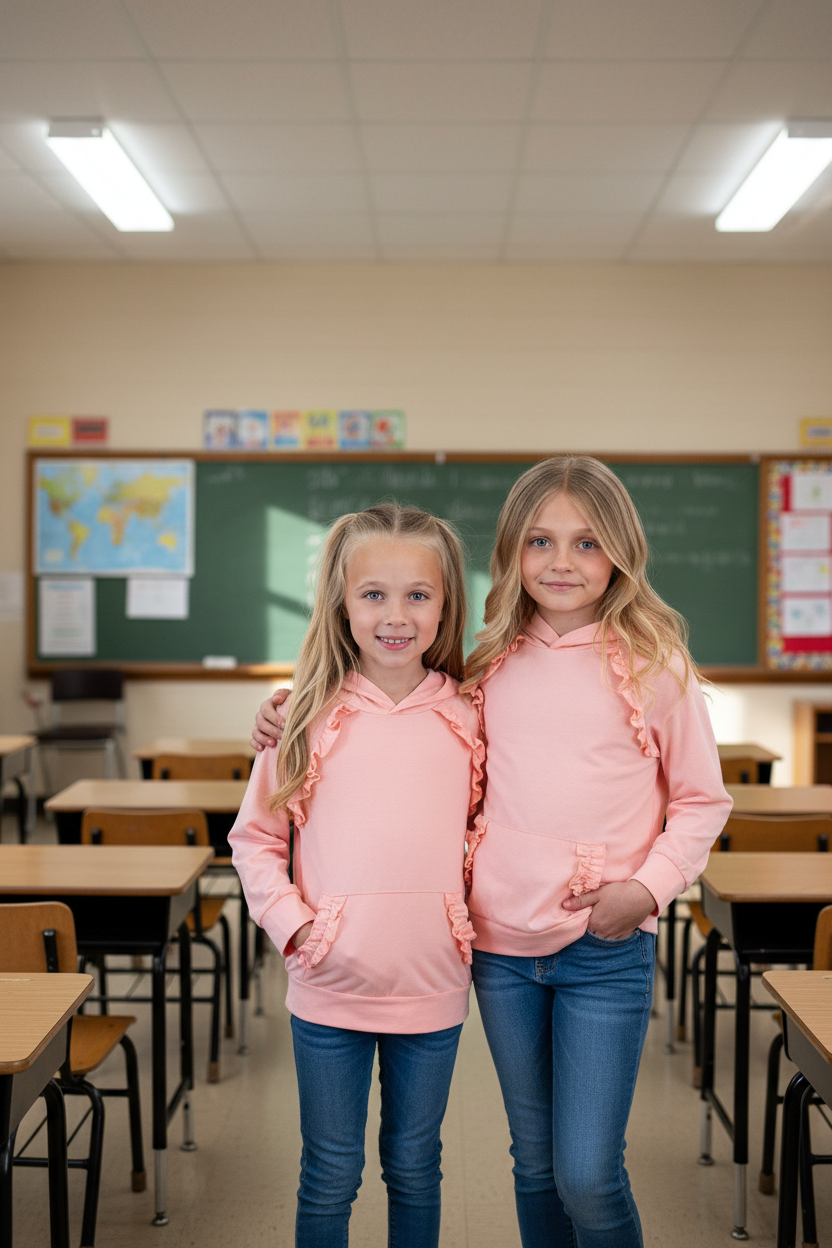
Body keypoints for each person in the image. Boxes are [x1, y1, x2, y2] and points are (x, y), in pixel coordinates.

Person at [251, 457, 731, 1248]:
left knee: (587, 1172)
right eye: (540, 541)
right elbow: (381, 705)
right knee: (535, 1165)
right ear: (510, 552)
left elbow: (702, 800)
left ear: (620, 552)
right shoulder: (488, 669)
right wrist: (283, 709)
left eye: (586, 543)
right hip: (503, 952)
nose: (562, 562)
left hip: (605, 946)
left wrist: (646, 890)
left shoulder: (655, 667)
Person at [229, 502, 483, 1248]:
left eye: (418, 594)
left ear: (446, 603)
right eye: (373, 594)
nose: (395, 615)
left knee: (414, 1166)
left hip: (433, 987)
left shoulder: (472, 718)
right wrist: (300, 928)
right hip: (327, 985)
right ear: (342, 604)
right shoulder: (302, 717)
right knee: (331, 1172)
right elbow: (255, 840)